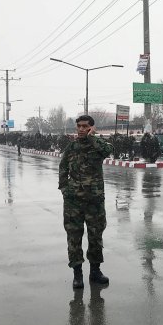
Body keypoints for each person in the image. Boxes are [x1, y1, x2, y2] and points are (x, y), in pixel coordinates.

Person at [59, 115, 114, 289]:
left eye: (85, 126)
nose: (81, 129)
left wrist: (92, 138)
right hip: (73, 202)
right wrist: (65, 189)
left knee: (95, 236)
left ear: (91, 127)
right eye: (79, 126)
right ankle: (77, 274)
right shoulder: (72, 147)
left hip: (94, 201)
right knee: (74, 237)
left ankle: (95, 272)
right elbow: (63, 167)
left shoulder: (98, 146)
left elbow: (108, 151)